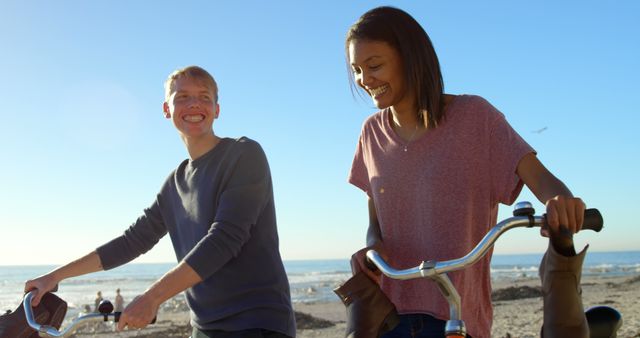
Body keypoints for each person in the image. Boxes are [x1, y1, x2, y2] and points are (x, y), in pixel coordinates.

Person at [345, 6, 589, 338]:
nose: (364, 80)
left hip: (458, 313)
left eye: (373, 66)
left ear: (411, 57)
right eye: (356, 69)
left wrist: (560, 200)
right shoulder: (370, 133)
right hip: (389, 317)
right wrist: (374, 250)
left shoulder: (475, 117)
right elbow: (377, 226)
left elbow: (542, 179)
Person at [24, 66, 296, 338]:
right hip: (204, 327)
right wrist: (54, 277)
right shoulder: (174, 184)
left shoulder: (243, 154)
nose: (194, 104)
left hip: (257, 323)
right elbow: (132, 241)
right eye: (182, 97)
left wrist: (153, 297)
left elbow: (224, 239)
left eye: (204, 97)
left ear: (217, 109)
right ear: (167, 109)